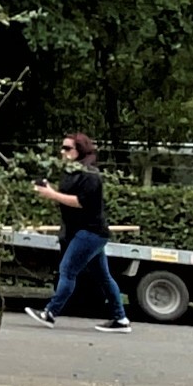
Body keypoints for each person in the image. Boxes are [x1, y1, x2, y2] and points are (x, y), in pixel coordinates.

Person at [28, 133, 128, 327]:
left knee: (67, 270)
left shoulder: (90, 174)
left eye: (67, 148)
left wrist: (52, 194)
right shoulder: (71, 172)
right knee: (103, 276)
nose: (62, 152)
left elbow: (80, 201)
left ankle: (50, 312)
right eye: (62, 147)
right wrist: (50, 189)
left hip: (91, 232)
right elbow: (65, 195)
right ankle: (121, 318)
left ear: (79, 150)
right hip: (82, 232)